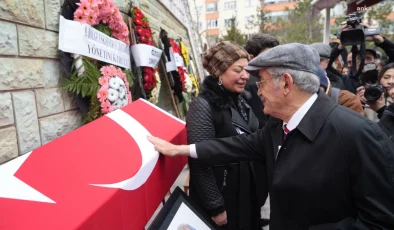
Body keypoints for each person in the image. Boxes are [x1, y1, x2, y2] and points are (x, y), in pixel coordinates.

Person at [148, 43, 394, 230]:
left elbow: (380, 219)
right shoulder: (278, 125)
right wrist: (182, 150)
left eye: (261, 81)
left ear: (286, 84)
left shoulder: (355, 134)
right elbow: (241, 144)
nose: (257, 89)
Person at [186, 41, 265, 229]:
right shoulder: (203, 106)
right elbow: (199, 160)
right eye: (238, 70)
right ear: (219, 72)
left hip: (245, 192)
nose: (245, 76)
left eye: (246, 70)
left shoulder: (240, 100)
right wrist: (215, 206)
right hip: (224, 196)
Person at [244, 33, 279, 128]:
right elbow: (261, 122)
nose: (272, 61)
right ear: (251, 58)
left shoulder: (275, 77)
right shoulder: (251, 83)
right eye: (267, 57)